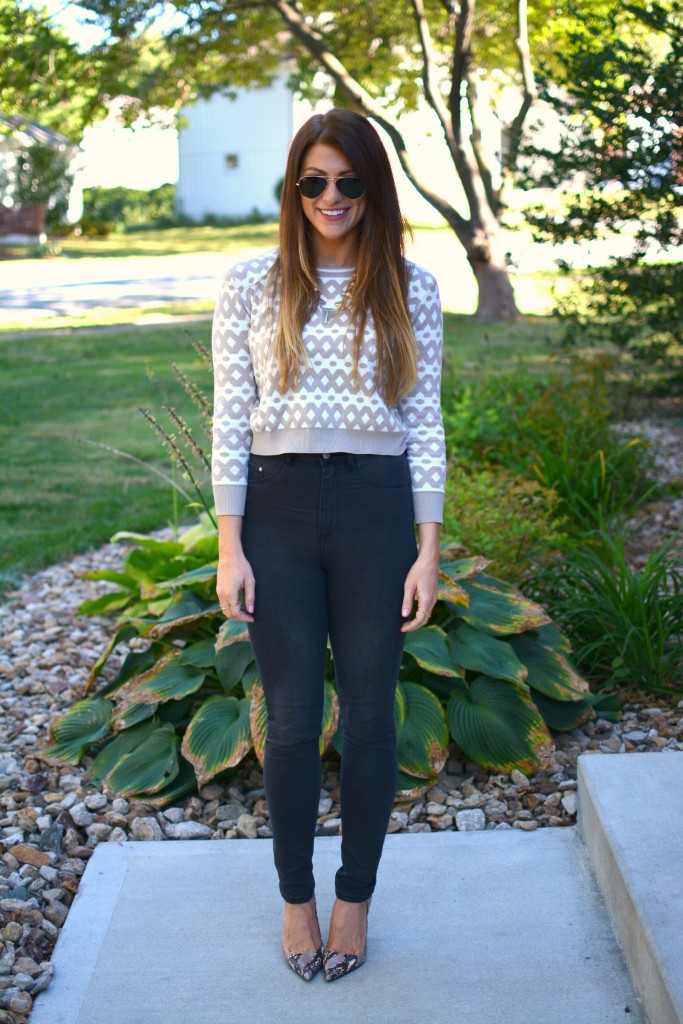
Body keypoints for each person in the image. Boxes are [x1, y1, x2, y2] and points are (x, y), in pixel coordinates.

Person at [211, 108, 446, 982]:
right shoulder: (250, 284)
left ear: (371, 187)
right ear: (293, 188)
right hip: (274, 511)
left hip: (377, 511)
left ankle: (354, 898)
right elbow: (228, 419)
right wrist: (229, 547)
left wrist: (428, 549)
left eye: (347, 181)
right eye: (312, 181)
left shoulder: (409, 287)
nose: (330, 197)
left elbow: (423, 420)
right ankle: (294, 899)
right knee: (293, 719)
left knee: (373, 718)